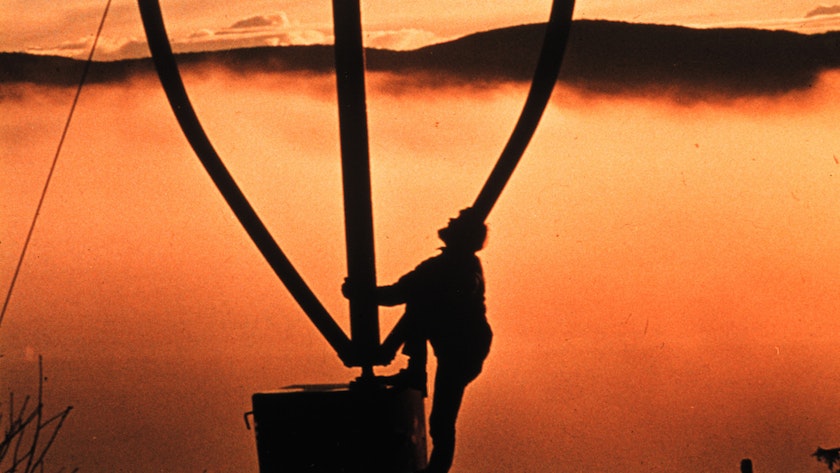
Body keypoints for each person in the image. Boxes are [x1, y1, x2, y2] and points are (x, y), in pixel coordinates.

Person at [343, 207, 493, 473]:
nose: (449, 219)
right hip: (466, 344)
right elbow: (404, 293)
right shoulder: (459, 265)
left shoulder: (448, 268)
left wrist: (359, 294)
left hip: (462, 348)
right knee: (442, 418)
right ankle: (414, 371)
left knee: (442, 421)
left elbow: (397, 294)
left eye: (456, 221)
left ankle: (414, 372)